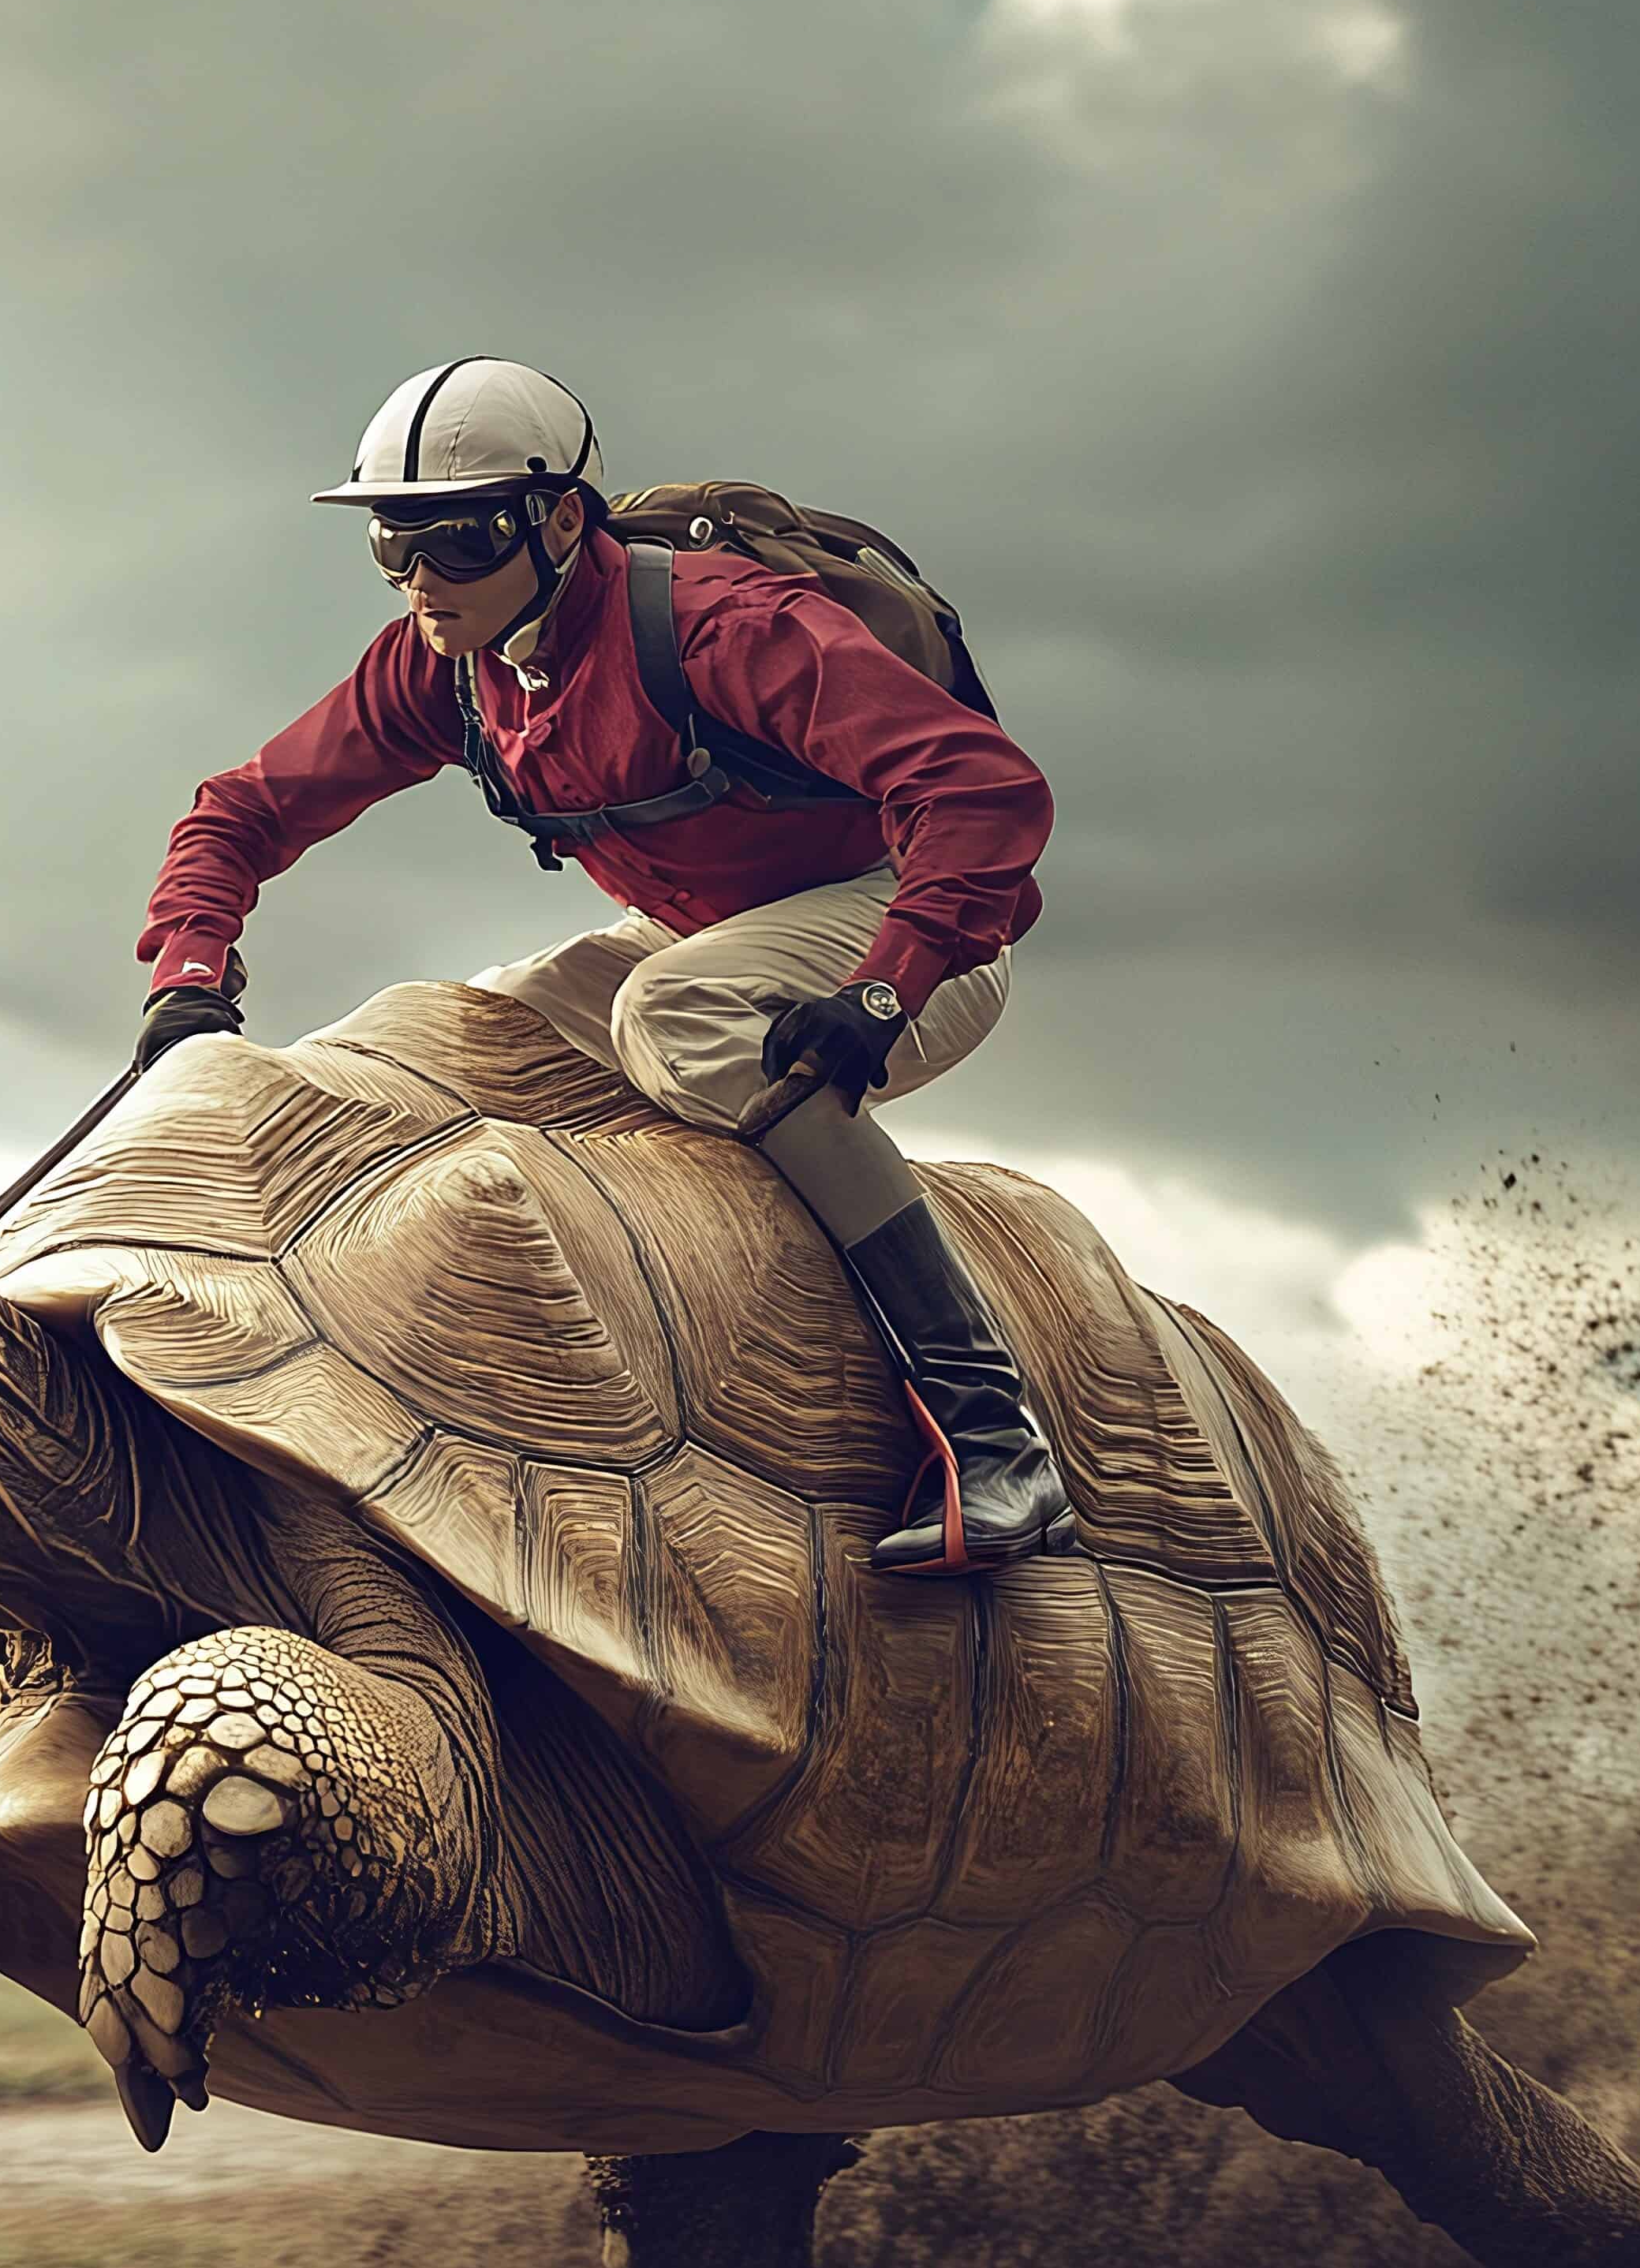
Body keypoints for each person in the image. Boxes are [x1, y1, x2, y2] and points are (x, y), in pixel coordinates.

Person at [134, 358, 1075, 1571]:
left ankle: (992, 1433)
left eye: (461, 544)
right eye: (393, 545)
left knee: (673, 1013)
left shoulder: (726, 628)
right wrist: (189, 973)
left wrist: (885, 987)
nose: (423, 582)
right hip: (708, 935)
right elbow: (240, 813)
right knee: (425, 1040)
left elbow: (982, 788)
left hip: (909, 921)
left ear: (560, 520)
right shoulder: (442, 663)